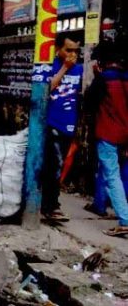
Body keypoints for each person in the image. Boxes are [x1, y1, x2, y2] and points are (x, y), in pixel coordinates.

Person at [83, 40, 128, 236]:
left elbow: (88, 103)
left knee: (111, 173)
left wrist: (95, 76)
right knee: (117, 171)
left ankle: (125, 219)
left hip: (109, 132)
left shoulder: (104, 79)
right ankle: (100, 204)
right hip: (126, 132)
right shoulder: (125, 77)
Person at [39, 35, 83, 222]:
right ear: (58, 49)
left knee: (58, 167)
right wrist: (65, 68)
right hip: (52, 122)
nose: (72, 54)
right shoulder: (50, 66)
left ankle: (49, 204)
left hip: (69, 124)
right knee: (53, 166)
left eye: (75, 51)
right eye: (68, 50)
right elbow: (46, 90)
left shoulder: (81, 69)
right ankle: (51, 207)